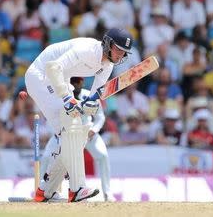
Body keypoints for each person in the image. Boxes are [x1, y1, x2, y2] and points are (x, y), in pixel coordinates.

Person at [25, 28, 133, 202]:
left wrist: (91, 102)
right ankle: (76, 189)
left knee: (75, 136)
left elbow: (96, 93)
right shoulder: (87, 50)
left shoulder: (107, 66)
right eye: (118, 49)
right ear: (107, 43)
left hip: (61, 80)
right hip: (41, 76)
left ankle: (46, 191)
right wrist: (67, 99)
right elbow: (53, 68)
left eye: (124, 52)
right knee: (72, 128)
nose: (120, 55)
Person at [42, 77, 116, 201]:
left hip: (87, 134)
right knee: (46, 158)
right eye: (73, 82)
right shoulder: (61, 97)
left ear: (82, 82)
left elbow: (100, 118)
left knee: (103, 156)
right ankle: (43, 190)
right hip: (64, 135)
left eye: (78, 82)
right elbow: (51, 119)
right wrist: (58, 132)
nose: (75, 85)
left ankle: (107, 193)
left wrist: (94, 130)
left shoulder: (89, 95)